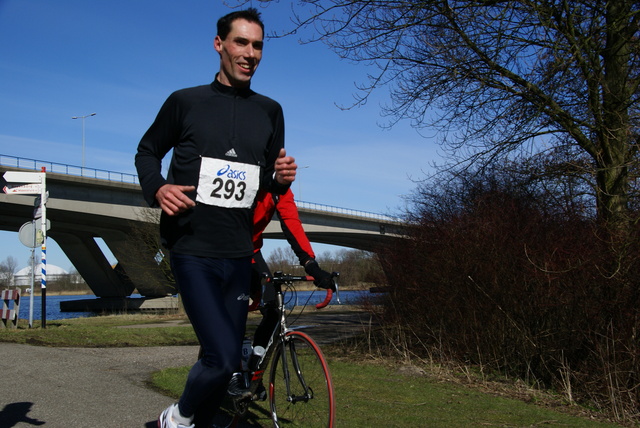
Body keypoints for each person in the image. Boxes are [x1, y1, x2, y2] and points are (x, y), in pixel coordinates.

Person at [134, 8, 297, 428]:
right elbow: (147, 151)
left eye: (257, 45)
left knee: (223, 366)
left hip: (239, 253)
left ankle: (197, 422)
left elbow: (264, 187)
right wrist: (157, 187)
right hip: (192, 248)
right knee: (223, 356)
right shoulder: (185, 101)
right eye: (241, 42)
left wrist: (279, 182)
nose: (250, 53)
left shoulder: (271, 111)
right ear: (219, 44)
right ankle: (178, 416)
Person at [249, 188, 335, 350]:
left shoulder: (278, 187)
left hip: (251, 251)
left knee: (273, 311)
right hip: (221, 250)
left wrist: (310, 264)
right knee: (232, 313)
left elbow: (292, 223)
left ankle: (255, 365)